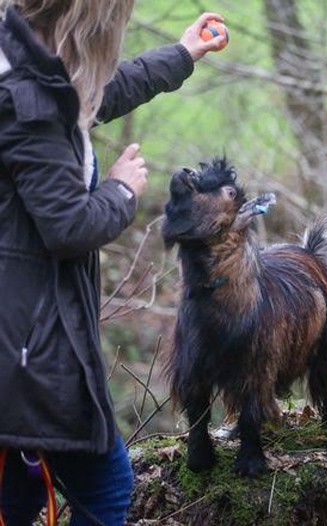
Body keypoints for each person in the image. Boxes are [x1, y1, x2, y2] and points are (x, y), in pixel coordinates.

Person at [0, 1, 226, 524]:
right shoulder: (26, 99)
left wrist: (182, 54)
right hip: (28, 349)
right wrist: (122, 191)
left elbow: (90, 96)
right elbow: (68, 228)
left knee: (14, 498)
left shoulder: (24, 61)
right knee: (106, 489)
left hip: (21, 342)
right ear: (86, 21)